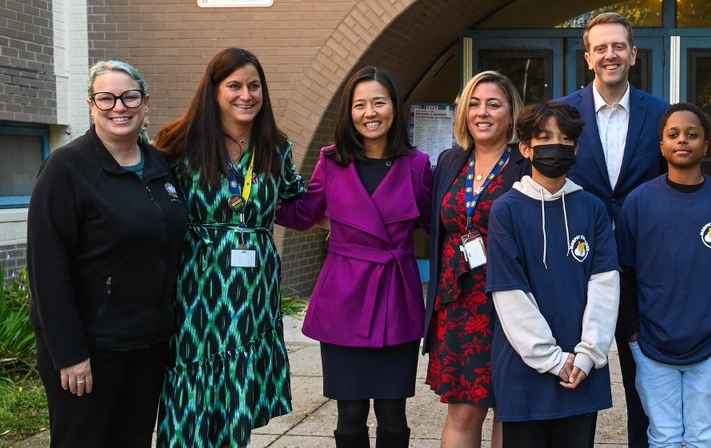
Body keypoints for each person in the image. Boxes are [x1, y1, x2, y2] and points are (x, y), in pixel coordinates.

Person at [26, 61, 189, 448]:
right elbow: (47, 269)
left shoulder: (160, 166)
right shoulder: (66, 168)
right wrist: (69, 354)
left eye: (130, 96)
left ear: (145, 103)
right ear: (91, 105)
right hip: (91, 352)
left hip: (149, 347)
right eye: (107, 98)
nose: (119, 106)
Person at [153, 48, 306, 448]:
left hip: (254, 288)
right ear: (214, 90)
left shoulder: (277, 147)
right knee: (192, 390)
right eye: (234, 85)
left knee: (238, 393)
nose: (246, 95)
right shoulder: (179, 142)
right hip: (198, 286)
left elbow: (298, 203)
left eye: (254, 86)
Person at [276, 66, 432, 448]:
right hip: (343, 298)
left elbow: (439, 226)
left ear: (393, 108)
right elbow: (303, 214)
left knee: (394, 416)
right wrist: (262, 190)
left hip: (396, 297)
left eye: (379, 102)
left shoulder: (417, 165)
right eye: (360, 105)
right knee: (349, 418)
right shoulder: (332, 161)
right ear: (349, 112)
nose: (370, 112)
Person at [615, 102, 711, 448]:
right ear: (661, 145)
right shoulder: (639, 202)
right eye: (673, 134)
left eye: (692, 135)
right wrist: (633, 335)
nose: (683, 141)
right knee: (662, 436)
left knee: (703, 436)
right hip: (651, 345)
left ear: (705, 146)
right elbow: (624, 275)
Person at [557, 11, 668, 448]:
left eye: (618, 46)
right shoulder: (562, 115)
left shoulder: (662, 115)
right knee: (577, 382)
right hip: (578, 274)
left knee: (646, 389)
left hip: (645, 276)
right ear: (588, 57)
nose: (610, 54)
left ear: (633, 54)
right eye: (600, 47)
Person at [487, 102, 619, 448]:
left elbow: (605, 285)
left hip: (582, 370)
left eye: (564, 139)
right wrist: (552, 359)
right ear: (526, 148)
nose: (555, 146)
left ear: (575, 148)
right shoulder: (505, 210)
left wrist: (588, 354)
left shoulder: (593, 209)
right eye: (544, 138)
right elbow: (508, 292)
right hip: (524, 371)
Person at [423, 70, 529, 448]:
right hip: (457, 302)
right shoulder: (451, 161)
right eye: (474, 103)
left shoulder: (525, 164)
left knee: (510, 409)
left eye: (494, 105)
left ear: (512, 115)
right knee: (463, 410)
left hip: (509, 300)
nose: (482, 113)